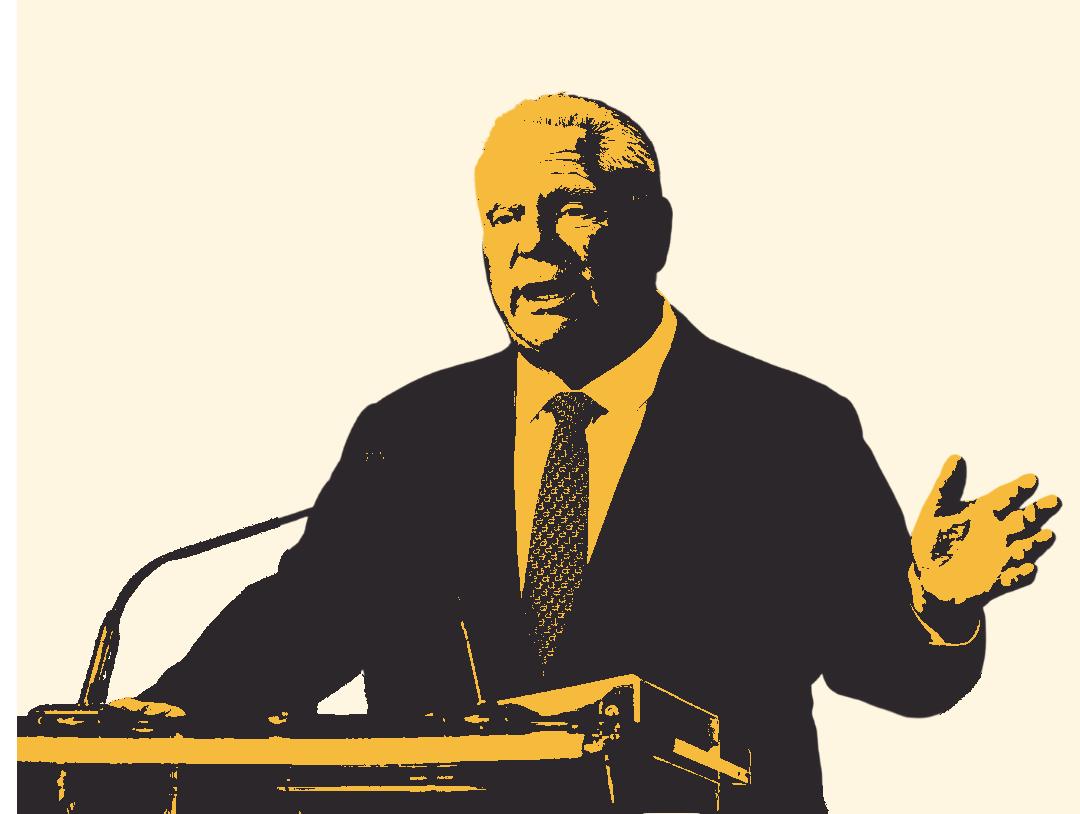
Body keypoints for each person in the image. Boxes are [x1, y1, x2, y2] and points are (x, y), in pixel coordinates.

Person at [115, 94, 1061, 811]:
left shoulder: (787, 428)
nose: (532, 249)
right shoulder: (410, 434)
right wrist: (158, 717)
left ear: (653, 231)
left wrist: (937, 604)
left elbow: (888, 671)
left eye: (568, 208)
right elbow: (307, 619)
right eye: (503, 219)